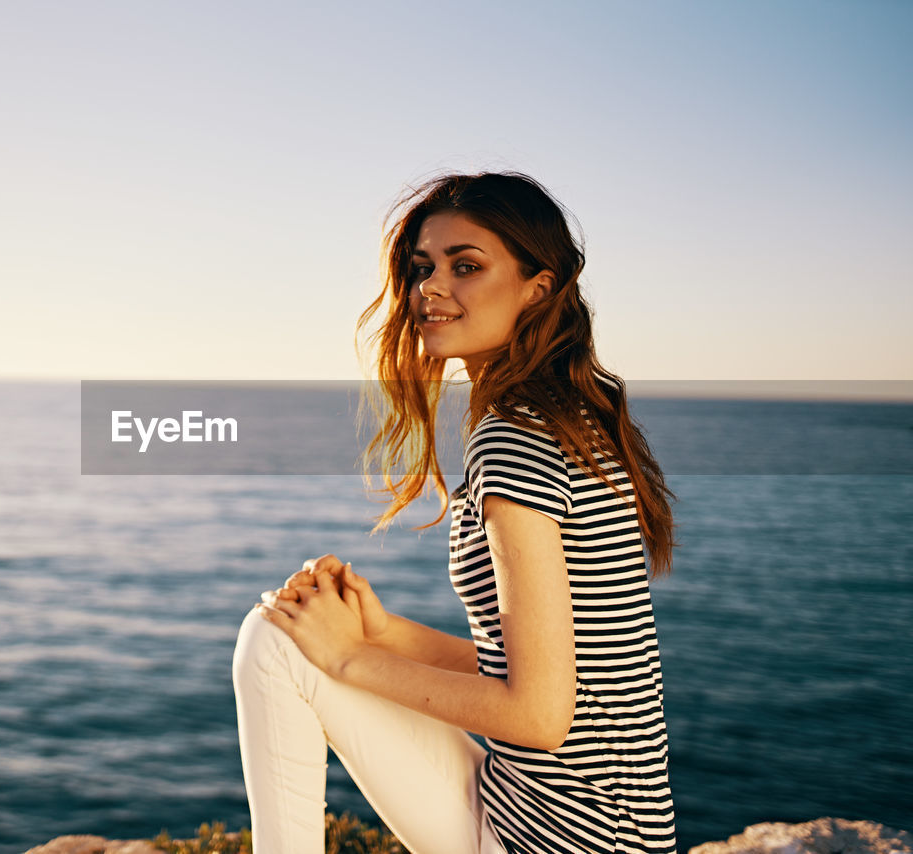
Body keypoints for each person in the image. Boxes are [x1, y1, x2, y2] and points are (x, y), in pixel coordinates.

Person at [231, 170, 679, 854]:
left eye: (464, 266)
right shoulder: (570, 422)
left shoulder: (516, 439)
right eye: (421, 268)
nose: (429, 289)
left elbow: (539, 715)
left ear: (539, 288)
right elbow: (552, 671)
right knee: (288, 628)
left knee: (274, 639)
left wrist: (350, 659)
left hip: (556, 844)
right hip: (568, 826)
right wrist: (383, 633)